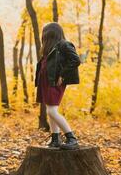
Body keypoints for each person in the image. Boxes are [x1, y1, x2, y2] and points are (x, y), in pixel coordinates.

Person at [35, 22, 81, 150]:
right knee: (50, 112)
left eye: (45, 32)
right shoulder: (49, 48)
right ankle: (55, 139)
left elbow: (76, 60)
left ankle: (71, 138)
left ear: (51, 33)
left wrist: (62, 75)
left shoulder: (64, 45)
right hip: (46, 82)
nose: (43, 35)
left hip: (55, 82)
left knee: (51, 111)